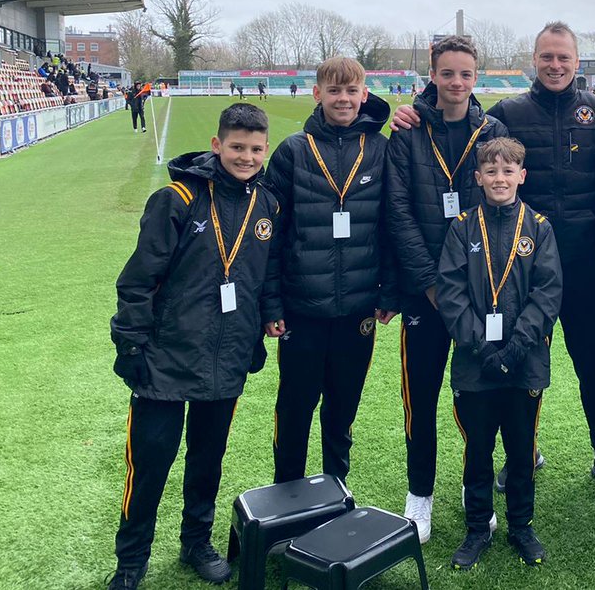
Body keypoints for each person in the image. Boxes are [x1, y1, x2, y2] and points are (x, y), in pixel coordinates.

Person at [392, 22, 595, 505]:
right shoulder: (509, 113)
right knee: (522, 360)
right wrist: (412, 110)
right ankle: (527, 450)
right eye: (547, 57)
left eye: (564, 58)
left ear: (577, 62)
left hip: (589, 266)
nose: (556, 65)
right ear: (535, 60)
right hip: (524, 267)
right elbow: (463, 120)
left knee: (594, 367)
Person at [107, 104, 284, 590]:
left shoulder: (266, 204)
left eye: (255, 149)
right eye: (237, 147)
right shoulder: (177, 198)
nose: (246, 157)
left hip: (225, 359)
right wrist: (130, 345)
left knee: (207, 460)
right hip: (165, 359)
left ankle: (196, 541)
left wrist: (265, 322)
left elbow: (265, 276)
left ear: (264, 149)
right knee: (149, 466)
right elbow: (138, 280)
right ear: (216, 145)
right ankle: (132, 557)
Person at [385, 35, 507, 543]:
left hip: (479, 292)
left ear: (476, 78)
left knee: (477, 397)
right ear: (432, 75)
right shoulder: (407, 132)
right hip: (425, 295)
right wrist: (433, 286)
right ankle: (420, 496)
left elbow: (504, 209)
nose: (457, 83)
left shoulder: (492, 129)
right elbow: (398, 213)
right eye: (447, 73)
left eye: (466, 74)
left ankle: (473, 485)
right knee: (423, 397)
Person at [265, 56, 397, 486]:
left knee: (342, 410)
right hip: (302, 309)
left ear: (365, 94)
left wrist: (389, 291)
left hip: (358, 307)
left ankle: (335, 492)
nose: (343, 99)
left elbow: (392, 223)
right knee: (295, 408)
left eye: (351, 90)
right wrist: (271, 301)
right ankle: (288, 495)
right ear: (317, 93)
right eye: (334, 91)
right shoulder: (292, 151)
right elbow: (272, 234)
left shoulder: (380, 149)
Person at [437, 137, 562, 570]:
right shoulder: (462, 226)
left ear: (521, 176)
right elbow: (451, 292)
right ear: (478, 178)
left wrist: (515, 346)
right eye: (491, 171)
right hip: (476, 362)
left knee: (522, 447)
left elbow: (548, 294)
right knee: (477, 449)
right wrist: (481, 346)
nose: (500, 179)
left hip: (524, 361)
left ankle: (521, 526)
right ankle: (477, 527)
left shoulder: (540, 227)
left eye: (508, 171)